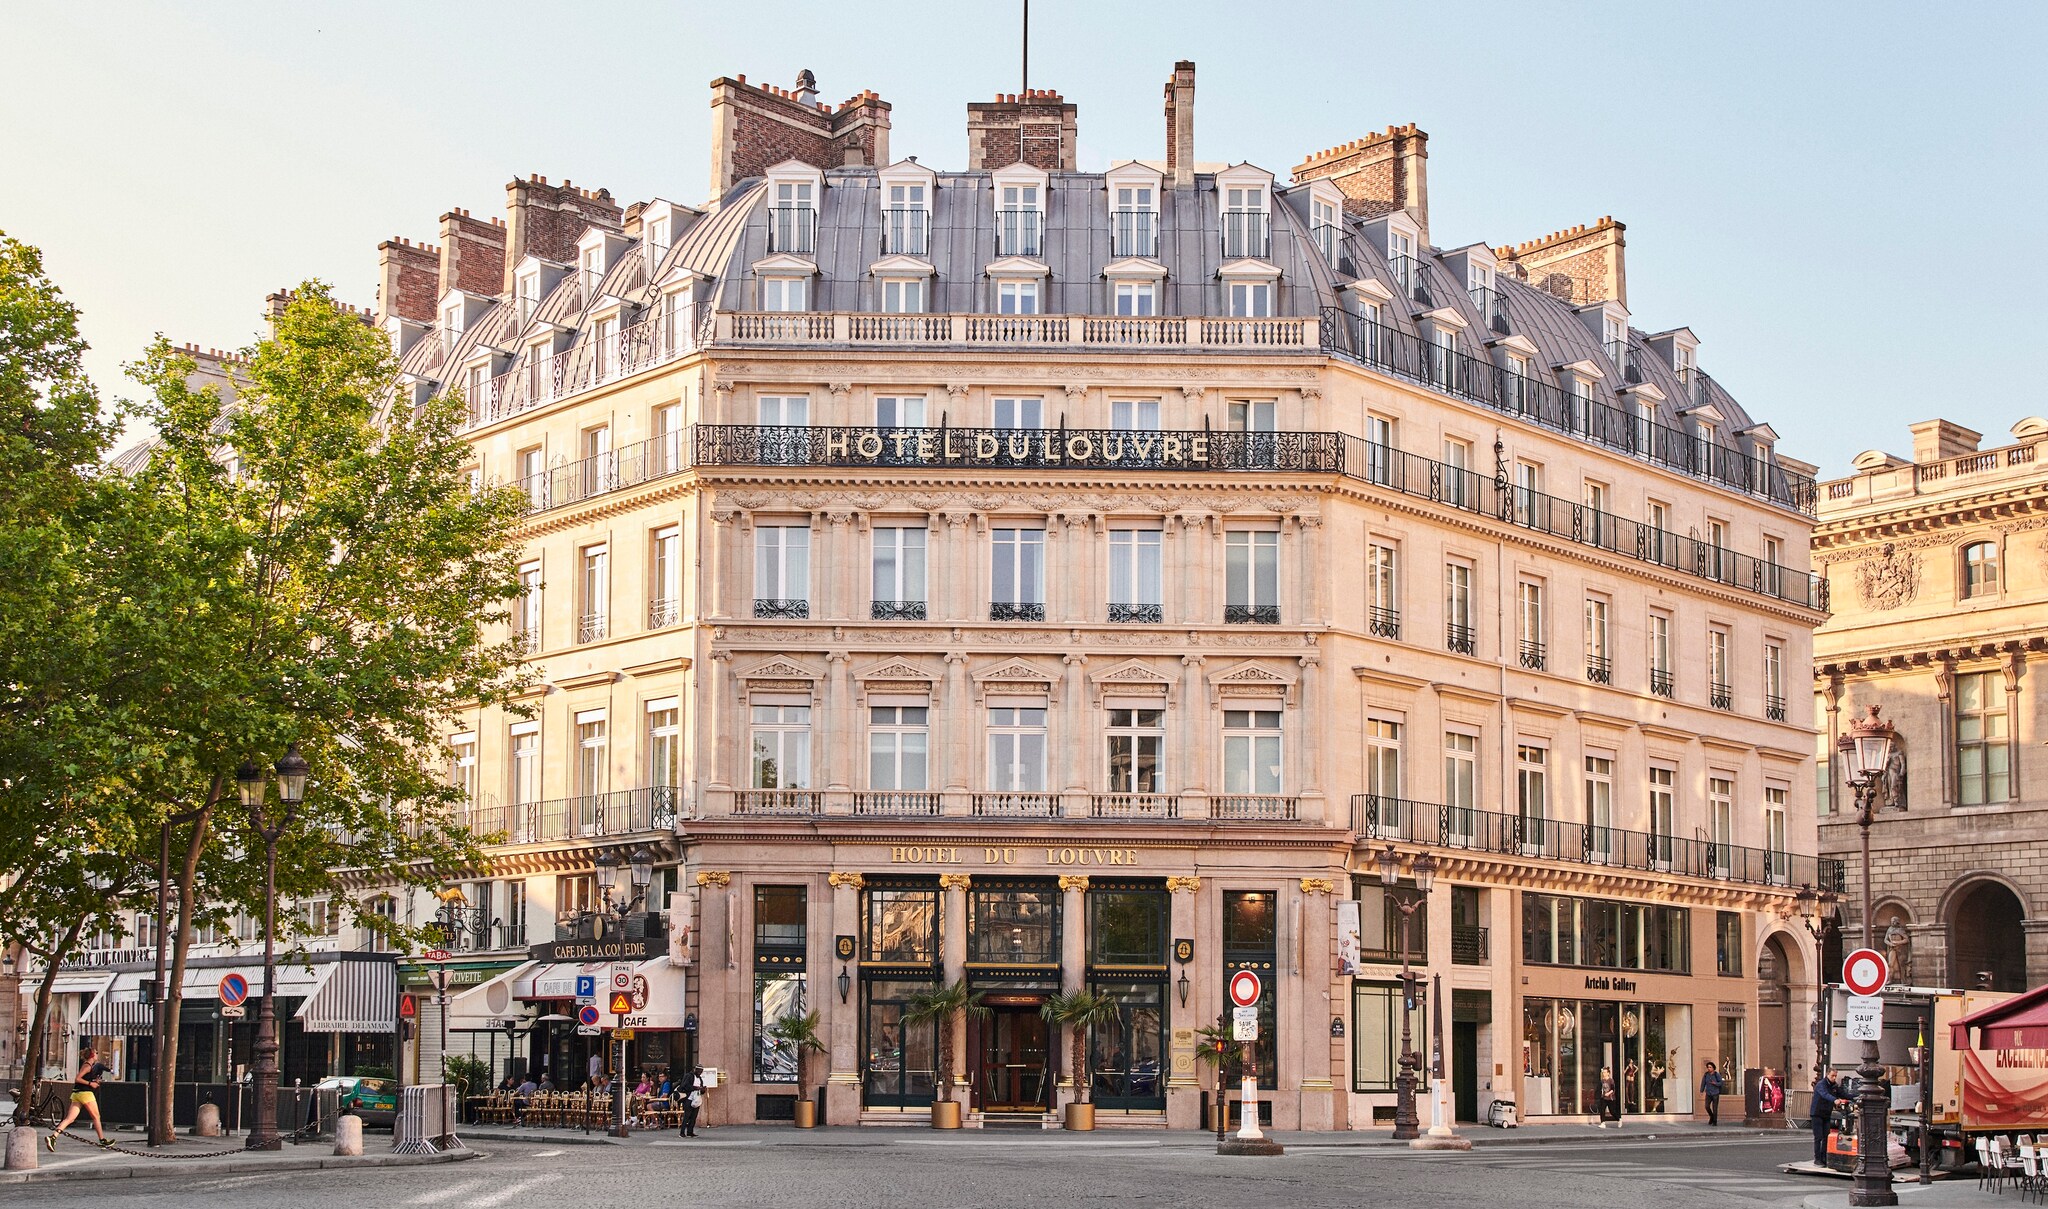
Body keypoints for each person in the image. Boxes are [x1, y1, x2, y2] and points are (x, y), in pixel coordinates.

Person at [46, 1047, 115, 1150]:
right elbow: (77, 1078)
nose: (97, 1054)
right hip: (85, 1094)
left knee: (70, 1118)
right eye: (96, 1053)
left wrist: (94, 1081)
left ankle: (53, 1137)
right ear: (92, 1055)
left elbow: (84, 1078)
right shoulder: (87, 1066)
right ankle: (102, 1140)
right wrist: (90, 1083)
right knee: (96, 1117)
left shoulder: (89, 1066)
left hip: (77, 1094)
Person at [1809, 1074, 1839, 1168]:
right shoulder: (1821, 1084)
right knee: (1818, 1137)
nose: (1834, 1078)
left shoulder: (1834, 1086)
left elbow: (1842, 1093)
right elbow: (1824, 1094)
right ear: (1828, 1075)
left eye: (1835, 1076)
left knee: (1826, 1136)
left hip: (1826, 1114)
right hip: (1817, 1113)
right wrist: (1835, 1100)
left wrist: (1855, 1097)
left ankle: (1824, 1158)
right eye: (1832, 1076)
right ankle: (1817, 1159)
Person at [677, 1066, 706, 1138]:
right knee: (687, 1116)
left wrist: (702, 1089)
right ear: (695, 1070)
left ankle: (690, 1132)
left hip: (696, 1099)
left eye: (701, 1071)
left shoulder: (700, 1079)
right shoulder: (689, 1076)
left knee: (694, 1116)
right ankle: (682, 1132)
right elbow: (685, 1086)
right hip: (688, 1098)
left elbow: (701, 1090)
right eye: (699, 1070)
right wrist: (695, 1088)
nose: (700, 1072)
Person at [1700, 1060, 1726, 1125]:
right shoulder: (1706, 1075)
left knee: (1715, 1108)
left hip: (1715, 1093)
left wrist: (1715, 1083)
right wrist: (1701, 1090)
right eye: (1708, 1067)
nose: (1709, 1068)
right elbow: (1703, 1083)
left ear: (1713, 1068)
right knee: (1707, 1106)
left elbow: (1721, 1083)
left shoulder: (1716, 1074)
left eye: (1710, 1067)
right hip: (1708, 1093)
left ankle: (1714, 1121)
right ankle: (1711, 1116)